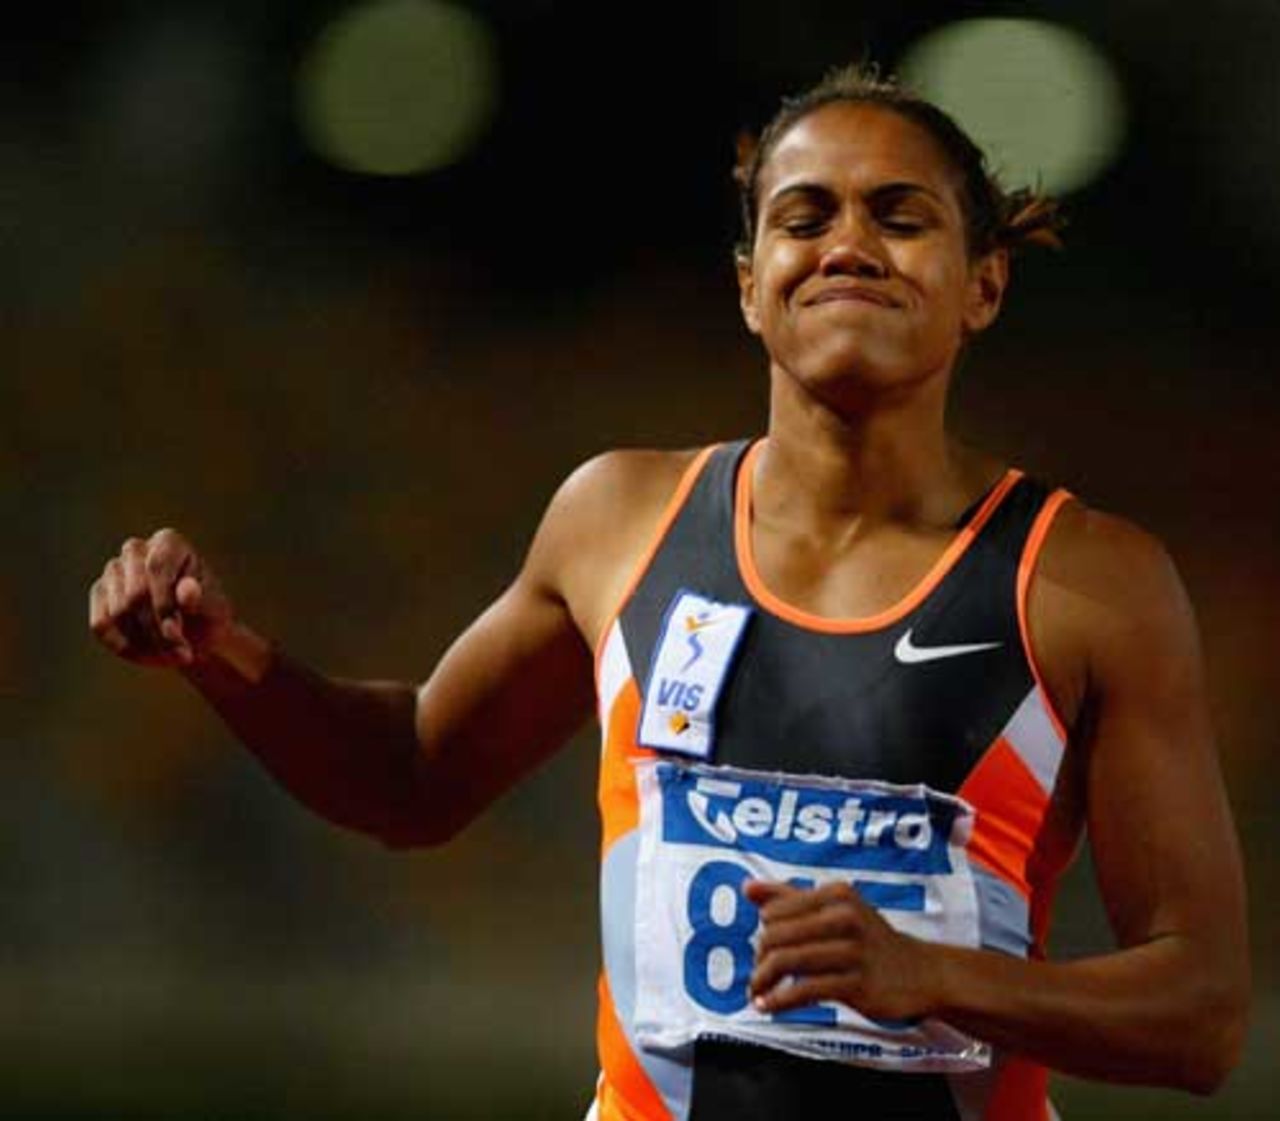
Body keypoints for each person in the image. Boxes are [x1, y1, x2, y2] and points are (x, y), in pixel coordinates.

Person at [89, 64, 1248, 1120]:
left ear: (980, 284)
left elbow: (1197, 1014)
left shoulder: (1086, 581)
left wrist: (935, 974)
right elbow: (410, 776)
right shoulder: (618, 521)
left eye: (899, 216)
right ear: (750, 287)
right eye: (804, 217)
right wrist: (222, 656)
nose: (847, 243)